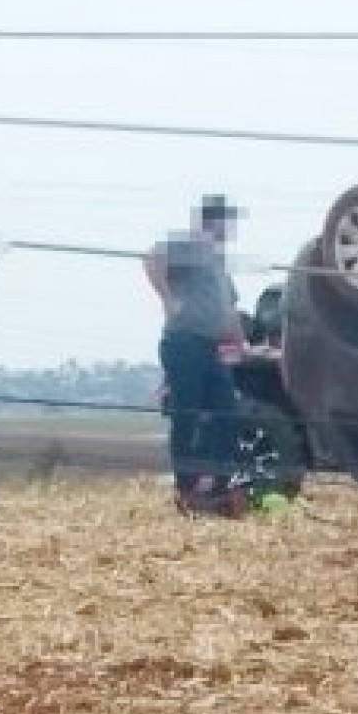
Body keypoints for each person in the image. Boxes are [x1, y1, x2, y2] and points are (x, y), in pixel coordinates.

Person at [146, 193, 245, 514]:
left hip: (215, 346)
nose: (228, 228)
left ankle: (217, 483)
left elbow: (229, 307)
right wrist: (168, 298)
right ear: (209, 221)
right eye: (224, 220)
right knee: (186, 413)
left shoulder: (218, 261)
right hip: (185, 341)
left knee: (227, 412)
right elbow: (151, 259)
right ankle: (186, 486)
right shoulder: (190, 245)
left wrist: (240, 344)